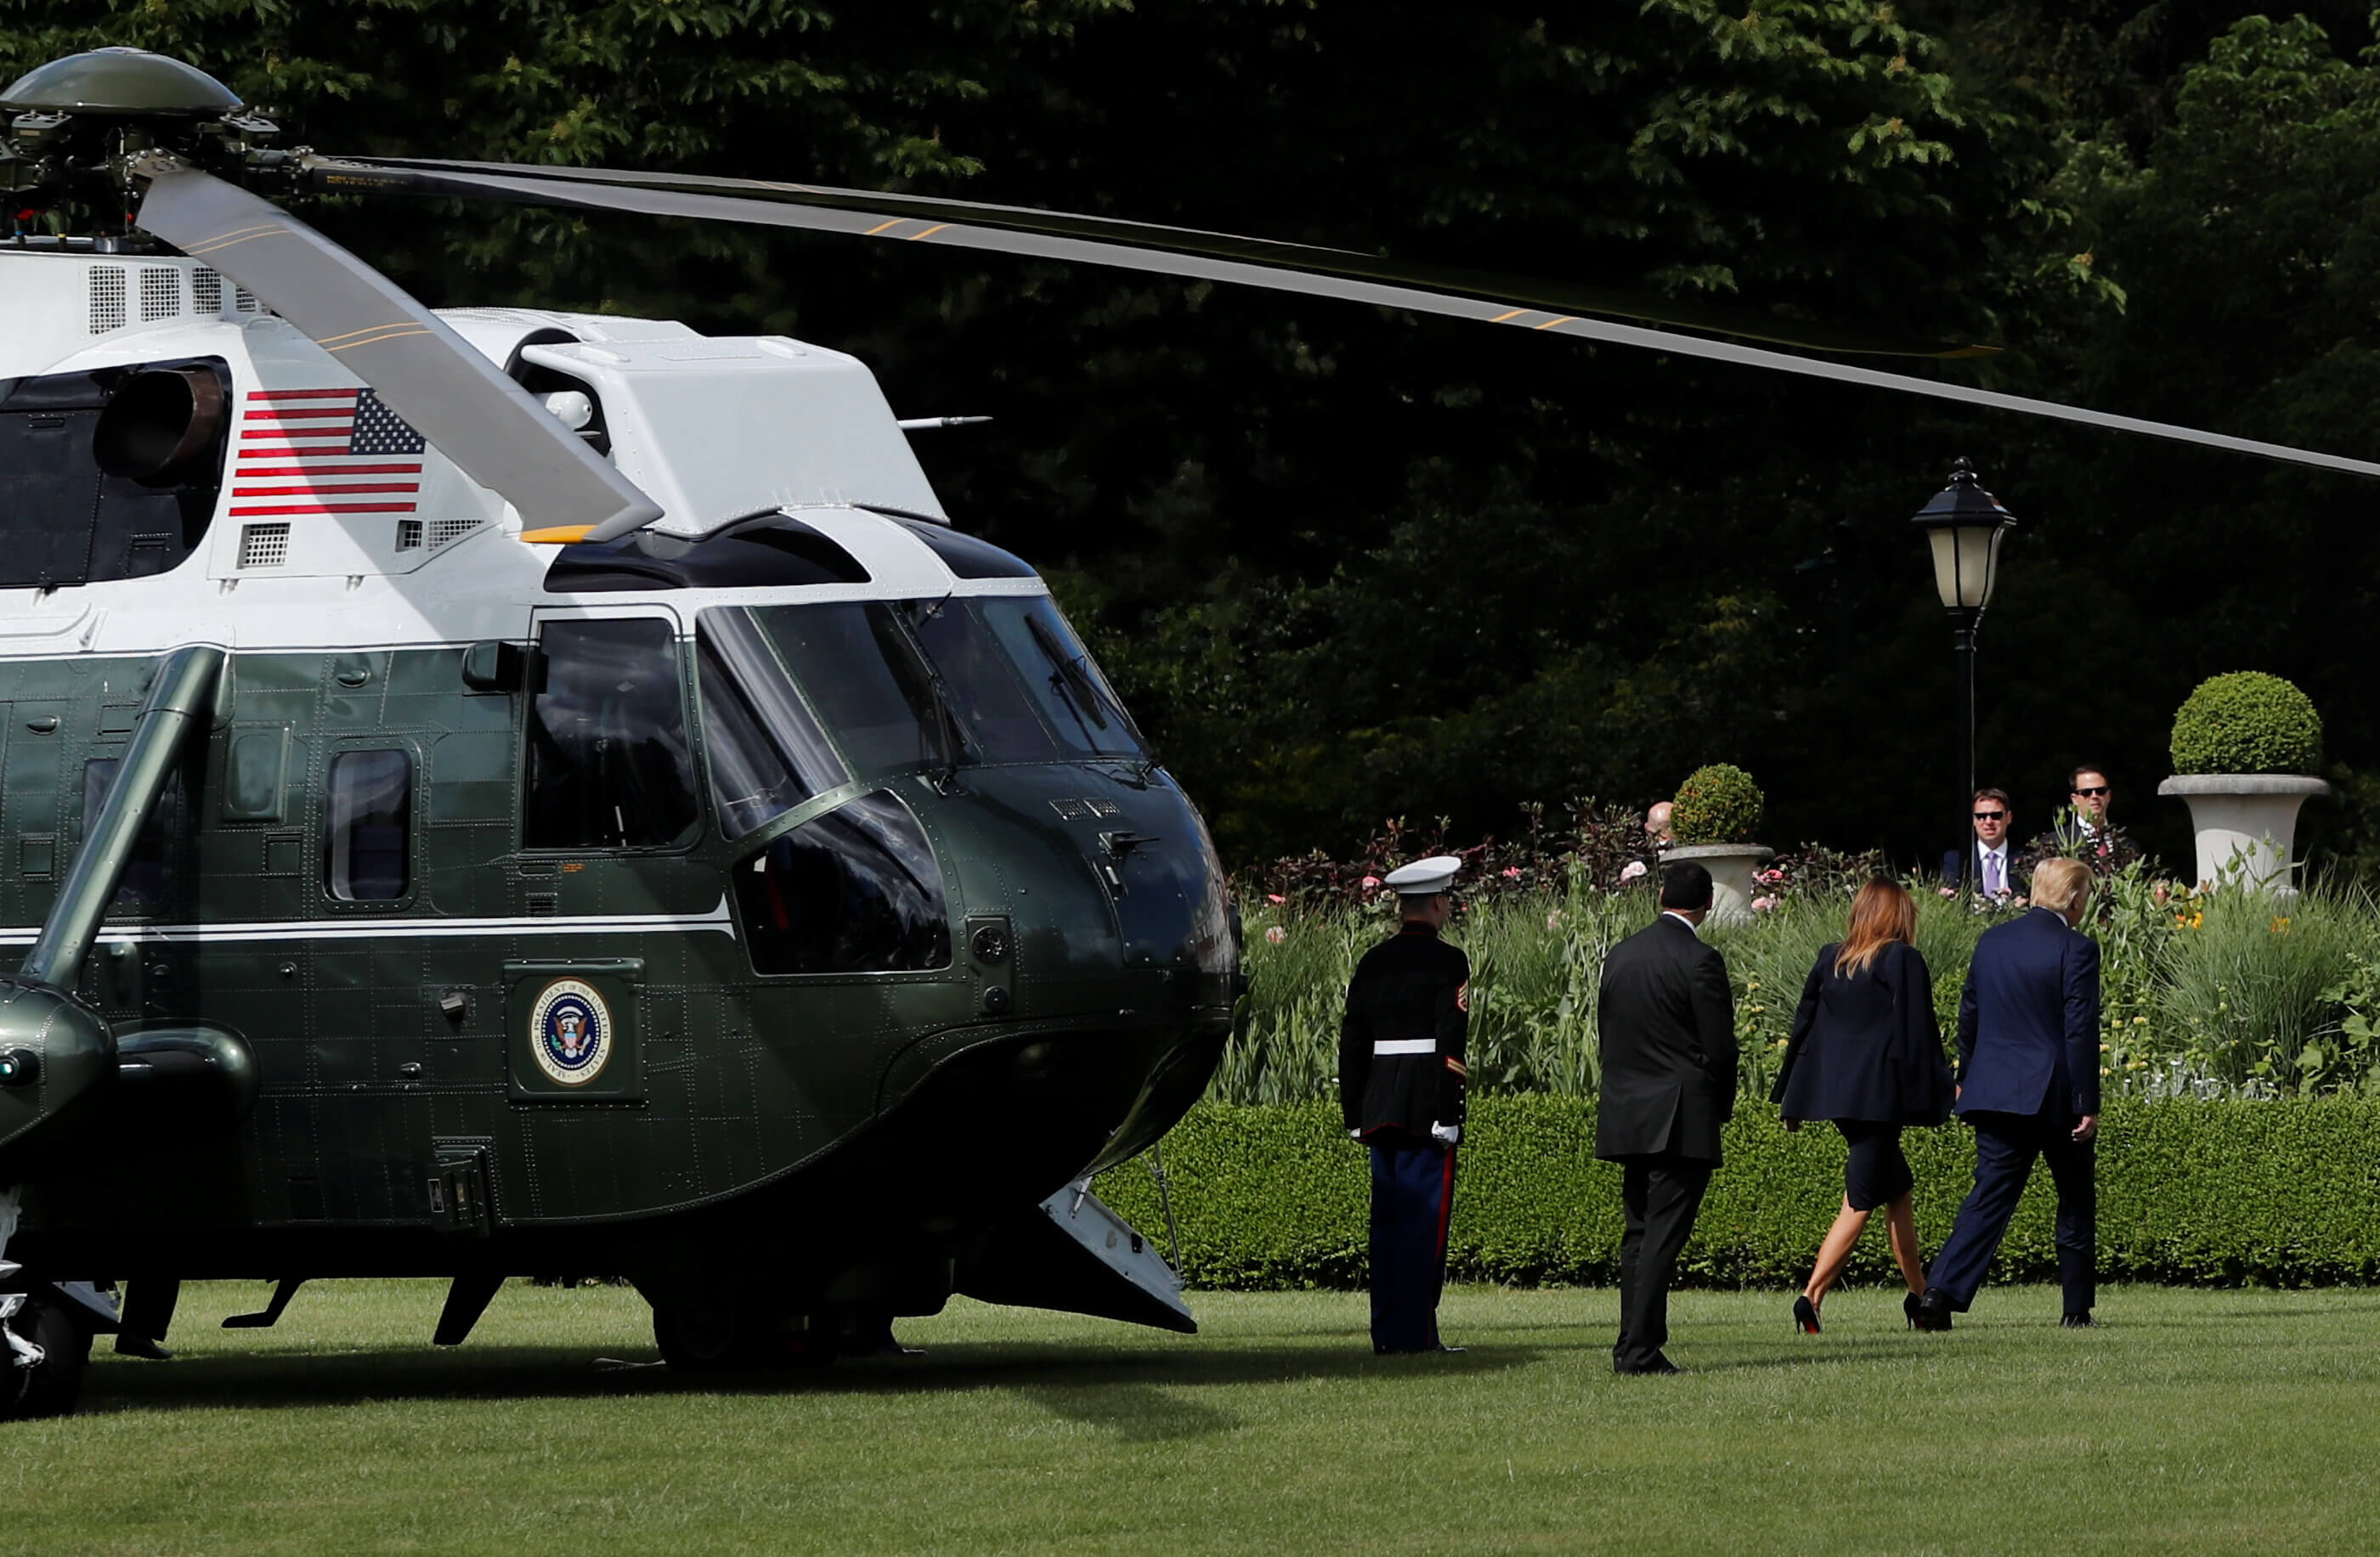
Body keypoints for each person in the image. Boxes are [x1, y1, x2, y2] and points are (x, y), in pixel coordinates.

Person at [1916, 856, 2103, 1331]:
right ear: (2075, 898)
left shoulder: (1992, 942)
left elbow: (1969, 1014)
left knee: (1989, 1197)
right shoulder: (2077, 948)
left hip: (1995, 1091)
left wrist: (1966, 1074)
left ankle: (1938, 1293)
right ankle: (2075, 1310)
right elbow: (2078, 1032)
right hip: (2054, 1096)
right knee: (2075, 1199)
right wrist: (2086, 1103)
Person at [1771, 878, 1954, 1333]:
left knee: (1898, 1190)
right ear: (1899, 916)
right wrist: (1939, 1087)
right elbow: (1917, 1030)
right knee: (1860, 1200)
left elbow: (1804, 1027)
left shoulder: (1830, 958)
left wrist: (1792, 1096)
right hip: (1880, 1099)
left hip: (1840, 1098)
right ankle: (1811, 1296)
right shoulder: (1902, 959)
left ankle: (1920, 1296)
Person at [1596, 860, 1738, 1374]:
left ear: (1659, 895)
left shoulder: (1620, 956)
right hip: (1679, 1115)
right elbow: (1720, 1050)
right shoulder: (1700, 959)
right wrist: (1719, 1107)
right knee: (1661, 1236)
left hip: (1628, 1111)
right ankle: (1640, 1348)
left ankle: (1629, 1343)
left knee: (1638, 1233)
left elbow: (1607, 1035)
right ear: (1707, 905)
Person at [1338, 854, 1470, 1355]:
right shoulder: (1448, 960)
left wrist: (1354, 1112)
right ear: (1437, 902)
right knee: (1423, 1225)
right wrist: (1448, 1112)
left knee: (1388, 1224)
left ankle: (1388, 1332)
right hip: (1423, 1103)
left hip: (1378, 1101)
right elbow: (1450, 1038)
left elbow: (1352, 1040)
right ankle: (1417, 1335)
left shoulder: (1372, 961)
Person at [2029, 764, 2141, 879]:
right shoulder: (2056, 844)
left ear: (2109, 796)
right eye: (2086, 792)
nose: (2094, 796)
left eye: (2100, 791)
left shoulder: (2129, 846)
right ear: (2074, 799)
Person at [1939, 787, 2023, 901]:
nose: (1988, 822)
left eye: (1996, 815)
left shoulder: (2025, 858)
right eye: (1981, 816)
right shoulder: (1956, 860)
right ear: (1973, 820)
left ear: (2009, 818)